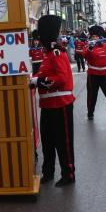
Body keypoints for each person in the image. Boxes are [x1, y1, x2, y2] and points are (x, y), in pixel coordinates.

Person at [32, 15, 76, 187]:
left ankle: (68, 173)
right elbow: (42, 74)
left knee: (63, 142)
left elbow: (61, 78)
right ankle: (48, 172)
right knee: (48, 142)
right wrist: (32, 79)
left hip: (60, 103)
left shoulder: (56, 53)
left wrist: (39, 82)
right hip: (48, 105)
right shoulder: (48, 54)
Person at [83, 25, 106, 120]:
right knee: (92, 95)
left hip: (104, 74)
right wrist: (90, 48)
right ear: (91, 37)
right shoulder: (88, 46)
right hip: (93, 74)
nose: (95, 38)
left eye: (97, 36)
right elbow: (84, 55)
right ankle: (90, 113)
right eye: (93, 36)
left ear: (100, 37)